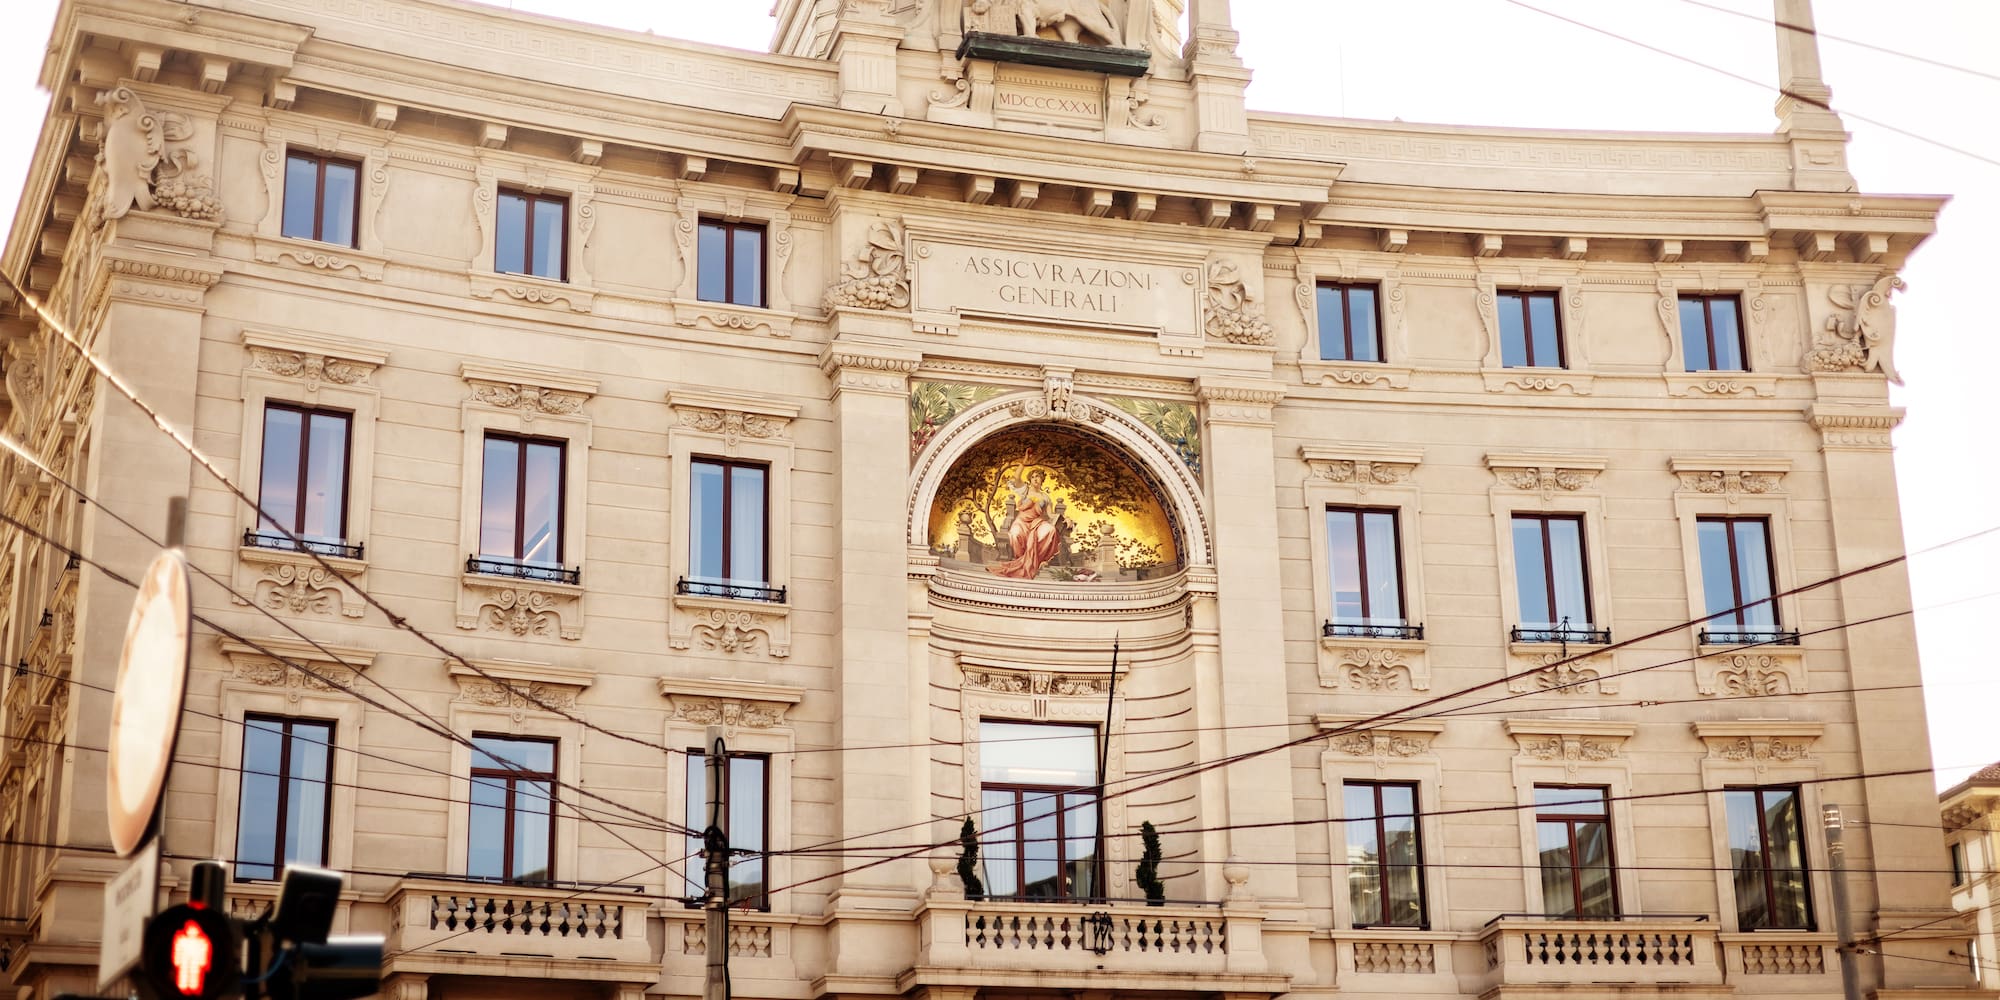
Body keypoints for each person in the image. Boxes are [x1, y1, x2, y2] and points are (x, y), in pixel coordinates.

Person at [988, 466, 1062, 579]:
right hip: (1022, 521)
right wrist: (1024, 464)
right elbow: (1016, 477)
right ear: (1030, 480)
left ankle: (1039, 560)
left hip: (1037, 522)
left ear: (1042, 479)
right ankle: (1020, 560)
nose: (1035, 479)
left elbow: (1051, 514)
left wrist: (1066, 518)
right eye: (1032, 477)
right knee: (1015, 534)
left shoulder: (1045, 497)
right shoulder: (1025, 490)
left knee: (1050, 530)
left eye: (1038, 476)